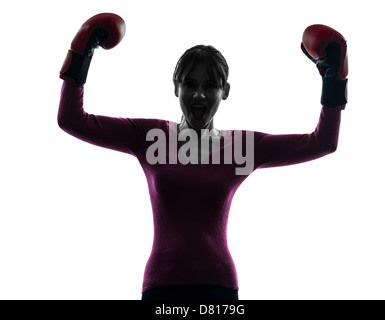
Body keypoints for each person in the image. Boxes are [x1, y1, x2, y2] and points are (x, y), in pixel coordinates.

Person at [57, 13, 348, 300]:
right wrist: (82, 53)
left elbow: (322, 142)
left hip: (219, 287)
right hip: (161, 287)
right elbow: (72, 120)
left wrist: (332, 81)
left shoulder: (242, 147)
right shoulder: (149, 137)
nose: (198, 95)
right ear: (176, 88)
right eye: (189, 84)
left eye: (210, 86)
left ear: (225, 92)